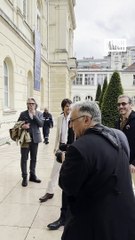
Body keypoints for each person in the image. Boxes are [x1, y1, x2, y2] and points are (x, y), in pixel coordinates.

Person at [59, 101, 135, 240]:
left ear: (86, 120)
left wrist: (65, 161)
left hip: (95, 227)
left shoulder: (78, 148)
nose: (70, 126)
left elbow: (67, 185)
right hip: (124, 223)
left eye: (72, 121)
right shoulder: (118, 136)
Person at [39, 98, 72, 202]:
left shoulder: (74, 118)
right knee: (55, 171)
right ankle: (50, 192)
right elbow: (58, 134)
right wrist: (55, 147)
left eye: (70, 106)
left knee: (70, 172)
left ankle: (70, 194)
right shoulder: (60, 118)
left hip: (71, 148)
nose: (68, 108)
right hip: (61, 147)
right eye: (66, 106)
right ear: (63, 107)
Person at [18, 97, 44, 187]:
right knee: (24, 158)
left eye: (32, 103)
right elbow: (18, 124)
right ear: (27, 104)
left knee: (34, 158)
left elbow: (41, 124)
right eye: (29, 103)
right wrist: (22, 126)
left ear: (35, 105)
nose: (31, 105)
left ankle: (32, 175)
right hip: (25, 139)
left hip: (35, 139)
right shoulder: (23, 114)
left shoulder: (39, 113)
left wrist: (34, 115)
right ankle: (24, 177)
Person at [115, 95, 135, 185]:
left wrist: (134, 163)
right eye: (119, 104)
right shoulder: (117, 122)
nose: (120, 106)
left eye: (123, 104)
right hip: (122, 164)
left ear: (131, 105)